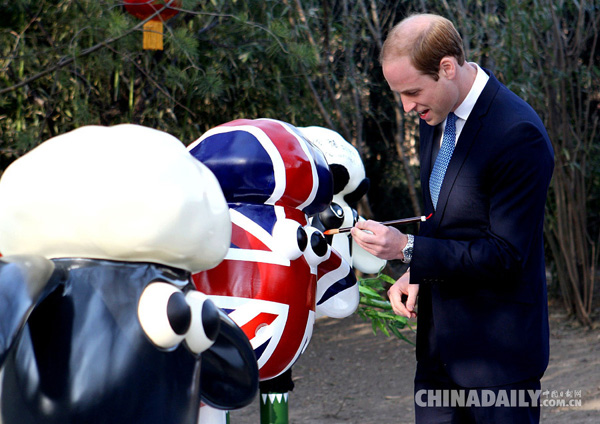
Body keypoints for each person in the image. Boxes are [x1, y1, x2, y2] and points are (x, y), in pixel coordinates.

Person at [351, 13, 554, 424]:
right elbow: (447, 223)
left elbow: (504, 255)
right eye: (399, 94)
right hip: (437, 356)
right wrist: (417, 274)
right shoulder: (435, 112)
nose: (406, 107)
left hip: (499, 364)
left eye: (412, 91)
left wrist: (406, 248)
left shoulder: (518, 133)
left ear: (447, 67)